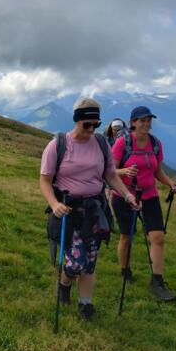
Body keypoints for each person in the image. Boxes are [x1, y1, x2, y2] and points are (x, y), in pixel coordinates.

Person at [40, 97, 140, 320]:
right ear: (77, 121)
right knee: (76, 262)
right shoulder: (58, 144)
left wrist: (127, 195)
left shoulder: (102, 144)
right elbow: (45, 180)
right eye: (87, 124)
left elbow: (111, 175)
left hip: (95, 210)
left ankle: (85, 304)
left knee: (90, 260)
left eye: (96, 124)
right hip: (68, 211)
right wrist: (54, 204)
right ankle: (65, 283)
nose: (91, 128)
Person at [111, 106, 176, 302]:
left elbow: (157, 171)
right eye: (142, 120)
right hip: (124, 195)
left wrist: (170, 183)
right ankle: (125, 270)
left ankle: (157, 281)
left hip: (149, 195)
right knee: (126, 236)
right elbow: (109, 171)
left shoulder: (155, 144)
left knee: (158, 237)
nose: (146, 124)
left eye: (149, 120)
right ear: (133, 123)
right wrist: (124, 172)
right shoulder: (122, 143)